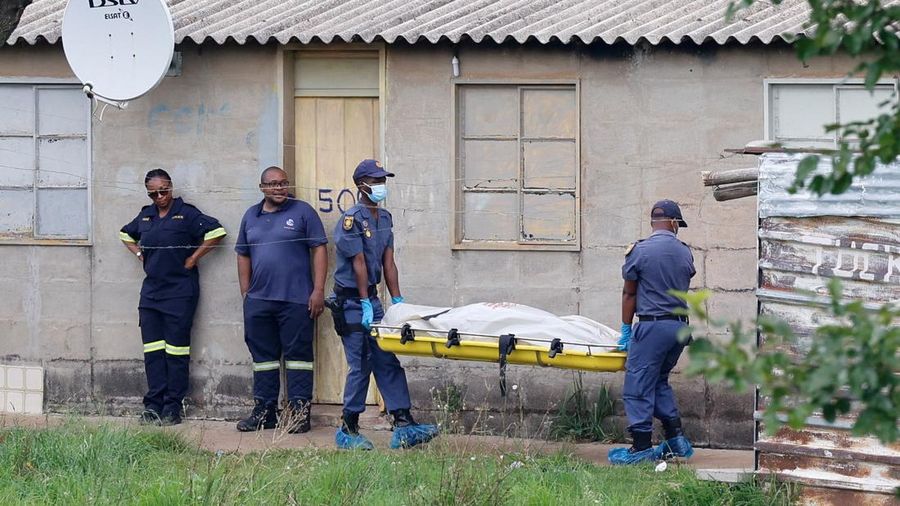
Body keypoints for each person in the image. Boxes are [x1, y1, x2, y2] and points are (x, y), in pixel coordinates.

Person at [328, 159, 438, 450]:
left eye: (382, 180)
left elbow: (389, 261)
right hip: (351, 300)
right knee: (361, 363)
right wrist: (364, 302)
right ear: (361, 184)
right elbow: (359, 264)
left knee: (387, 359)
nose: (380, 185)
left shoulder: (385, 218)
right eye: (375, 181)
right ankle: (349, 428)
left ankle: (403, 423)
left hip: (372, 299)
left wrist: (398, 299)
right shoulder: (350, 220)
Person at [120, 168, 227, 425]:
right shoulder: (145, 216)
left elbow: (216, 232)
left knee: (176, 351)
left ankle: (172, 407)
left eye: (163, 191)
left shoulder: (187, 213)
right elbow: (125, 234)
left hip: (180, 293)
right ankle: (153, 405)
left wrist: (193, 258)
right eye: (153, 193)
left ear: (171, 187)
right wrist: (138, 254)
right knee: (153, 351)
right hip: (151, 294)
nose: (160, 197)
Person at [234, 166, 327, 433]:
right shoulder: (251, 216)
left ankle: (299, 414)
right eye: (273, 184)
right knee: (263, 358)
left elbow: (319, 248)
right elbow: (242, 253)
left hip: (297, 300)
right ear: (262, 187)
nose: (279, 188)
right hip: (259, 301)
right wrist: (246, 292)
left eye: (283, 183)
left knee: (299, 357)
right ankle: (265, 412)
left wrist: (318, 290)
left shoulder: (303, 211)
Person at [608, 199, 696, 465]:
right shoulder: (685, 252)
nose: (678, 228)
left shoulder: (640, 251)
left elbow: (629, 292)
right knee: (658, 381)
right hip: (679, 328)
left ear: (653, 222)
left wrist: (626, 328)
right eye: (678, 224)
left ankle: (642, 447)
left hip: (653, 326)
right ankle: (675, 439)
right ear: (672, 222)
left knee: (637, 385)